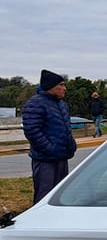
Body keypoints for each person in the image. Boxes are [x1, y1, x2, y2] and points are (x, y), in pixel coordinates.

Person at [22, 69, 77, 203]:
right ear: (51, 87)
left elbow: (65, 128)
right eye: (61, 85)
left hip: (61, 157)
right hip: (45, 159)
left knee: (60, 194)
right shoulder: (35, 104)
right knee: (44, 195)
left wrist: (70, 144)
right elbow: (32, 130)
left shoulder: (62, 104)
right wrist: (49, 148)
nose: (65, 88)